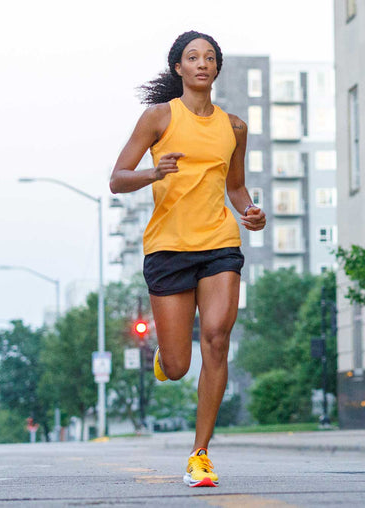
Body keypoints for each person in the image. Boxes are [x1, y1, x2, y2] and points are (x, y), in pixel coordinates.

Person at [109, 30, 264, 488]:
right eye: (192, 57)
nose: (202, 63)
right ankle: (166, 356)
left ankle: (200, 454)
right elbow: (117, 179)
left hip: (218, 243)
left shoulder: (234, 127)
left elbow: (235, 186)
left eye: (210, 57)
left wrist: (250, 212)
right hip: (168, 247)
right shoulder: (158, 117)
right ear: (178, 67)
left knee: (216, 338)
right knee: (178, 366)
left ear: (217, 68)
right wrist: (152, 173)